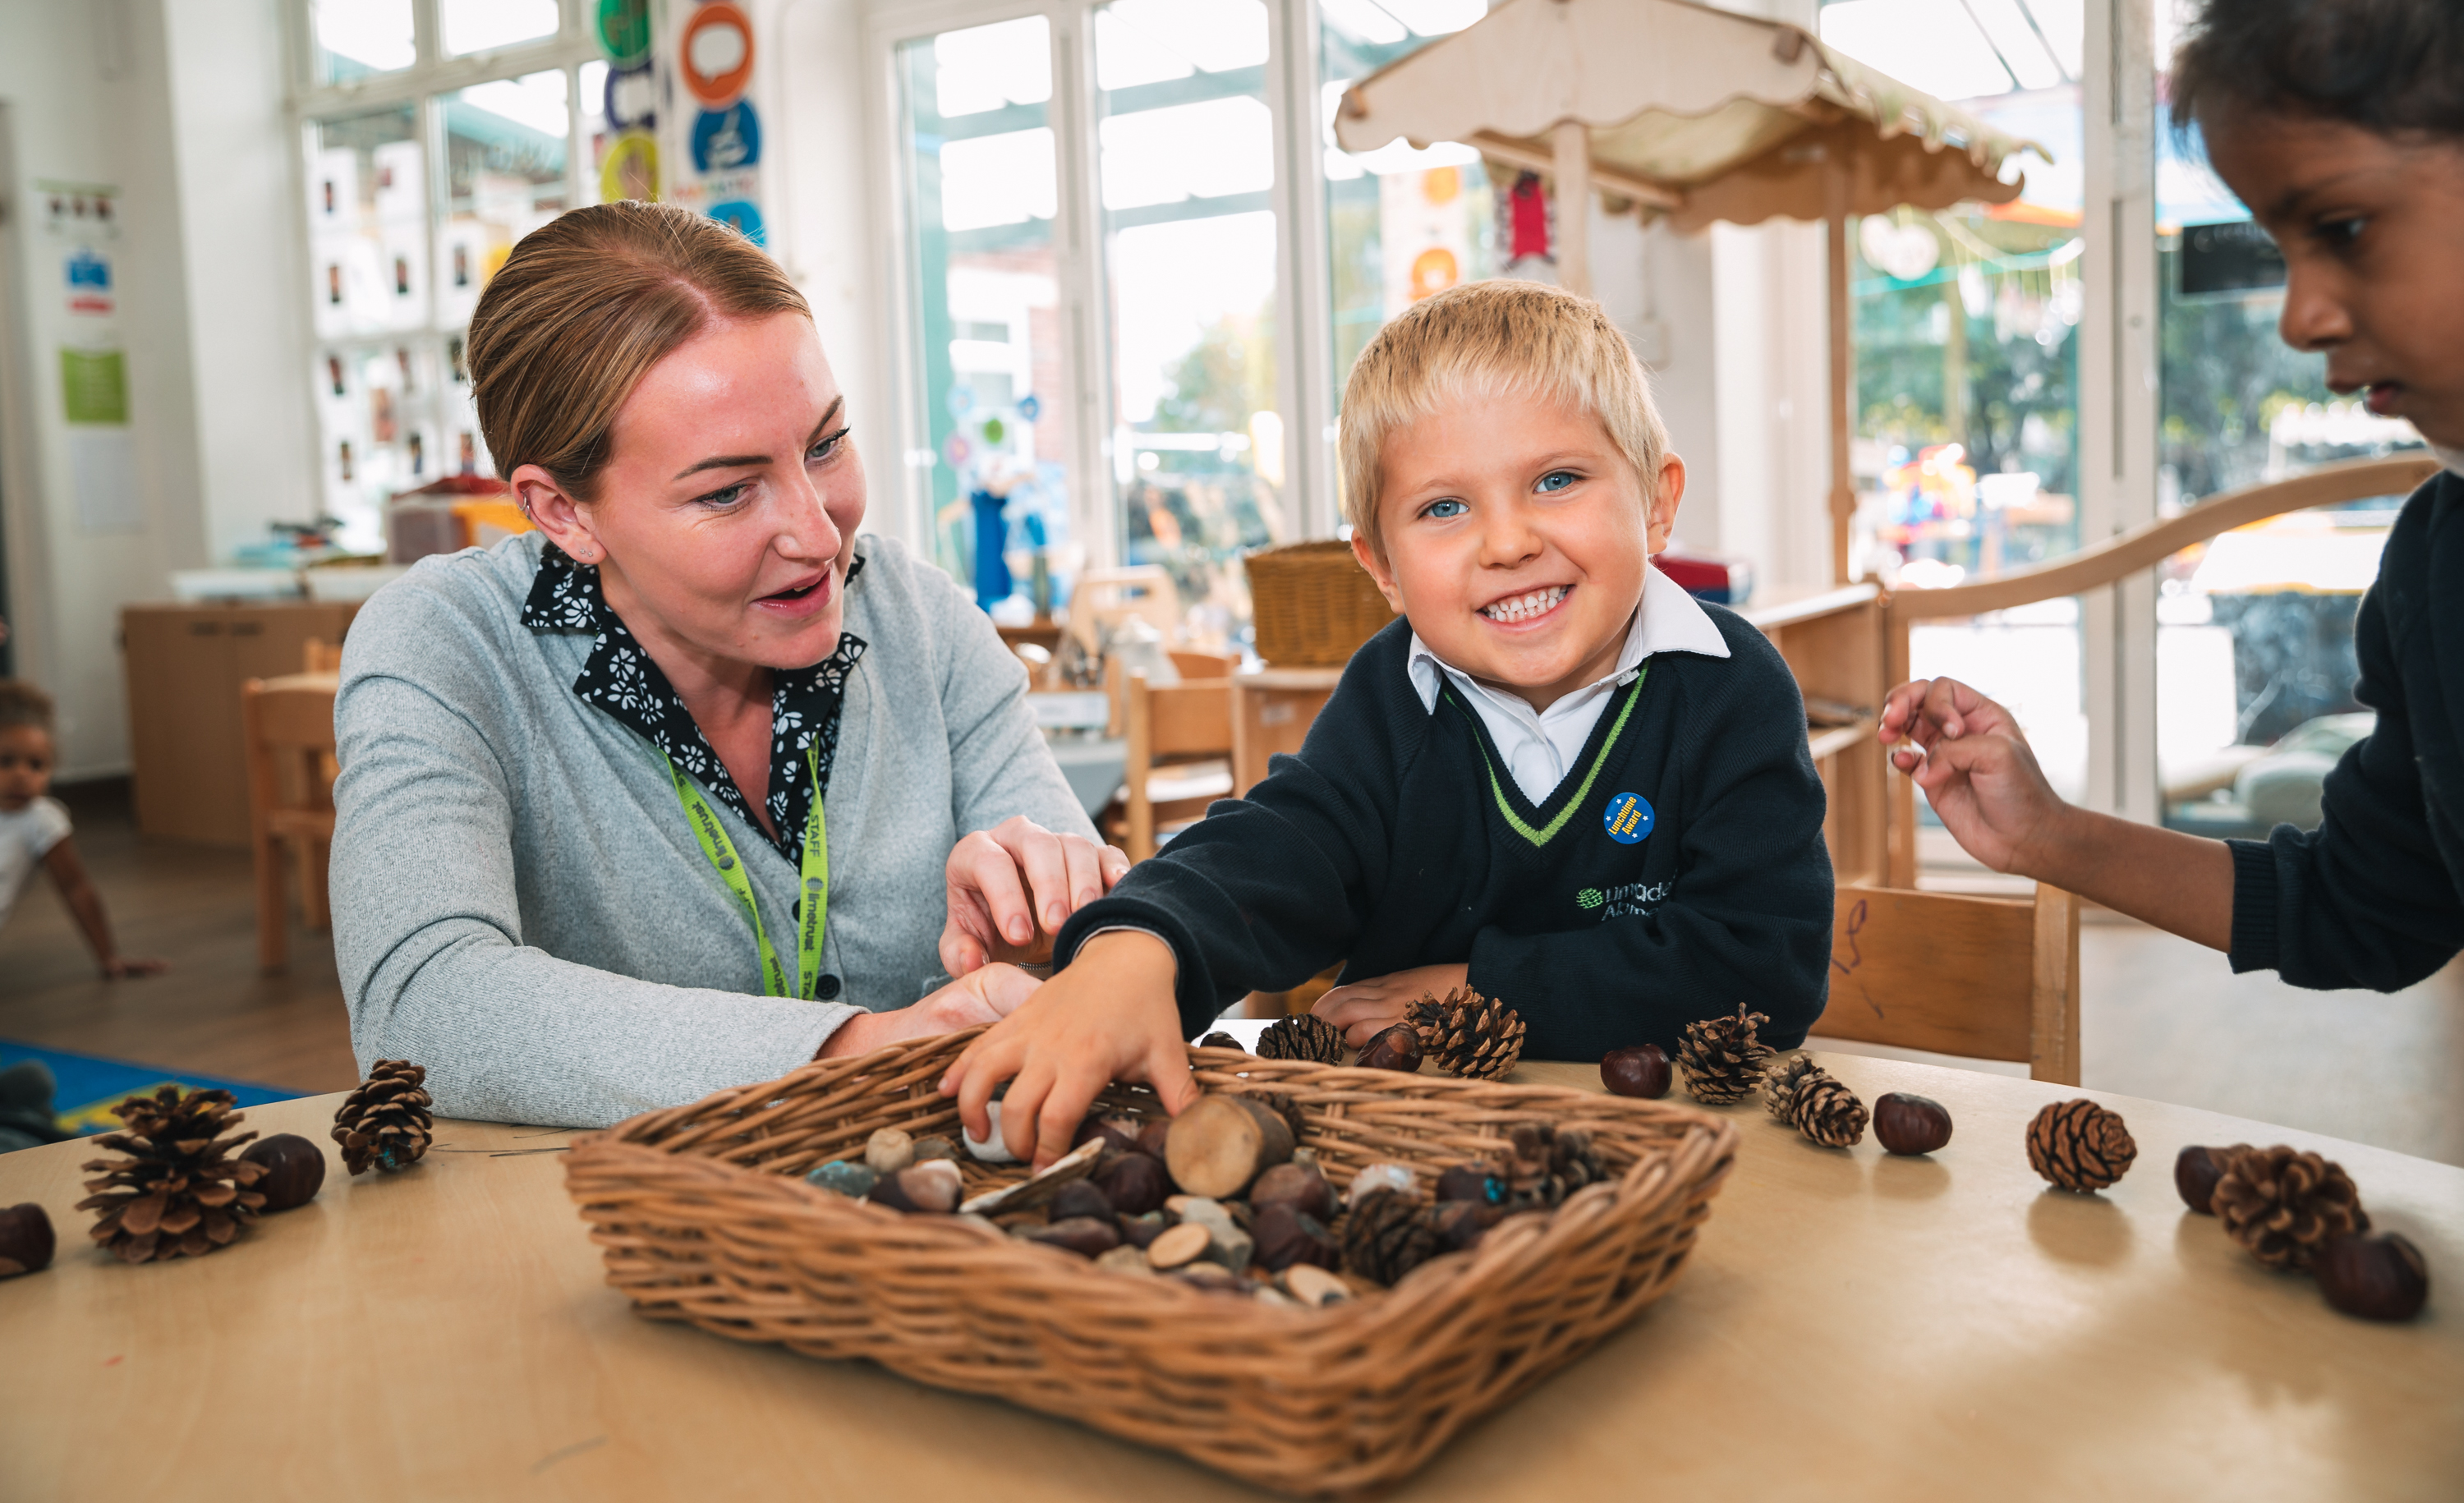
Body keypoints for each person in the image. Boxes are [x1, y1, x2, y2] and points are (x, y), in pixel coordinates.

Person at [945, 279, 1836, 1163]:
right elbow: (1278, 847)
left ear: (1656, 501)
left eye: (1557, 480)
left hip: (1695, 1162)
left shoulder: (1730, 687)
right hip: (1417, 1164)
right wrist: (1138, 946)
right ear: (1381, 566)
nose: (1508, 542)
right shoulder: (1389, 697)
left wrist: (1484, 992)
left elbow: (1764, 966)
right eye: (1444, 508)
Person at [331, 203, 1122, 1129]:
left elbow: (1102, 957)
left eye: (825, 443)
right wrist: (855, 1051)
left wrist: (1063, 918)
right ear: (562, 513)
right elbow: (424, 1002)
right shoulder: (448, 642)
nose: (820, 534)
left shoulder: (921, 617)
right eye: (728, 491)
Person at [1877, 0, 2464, 990]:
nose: (2300, 317)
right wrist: (2050, 836)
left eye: (2345, 227)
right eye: (2285, 252)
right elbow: (2359, 906)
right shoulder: (2433, 564)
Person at [0, 679, 163, 980]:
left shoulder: (41, 821)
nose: (21, 775)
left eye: (36, 765)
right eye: (6, 761)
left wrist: (109, 957)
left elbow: (76, 888)